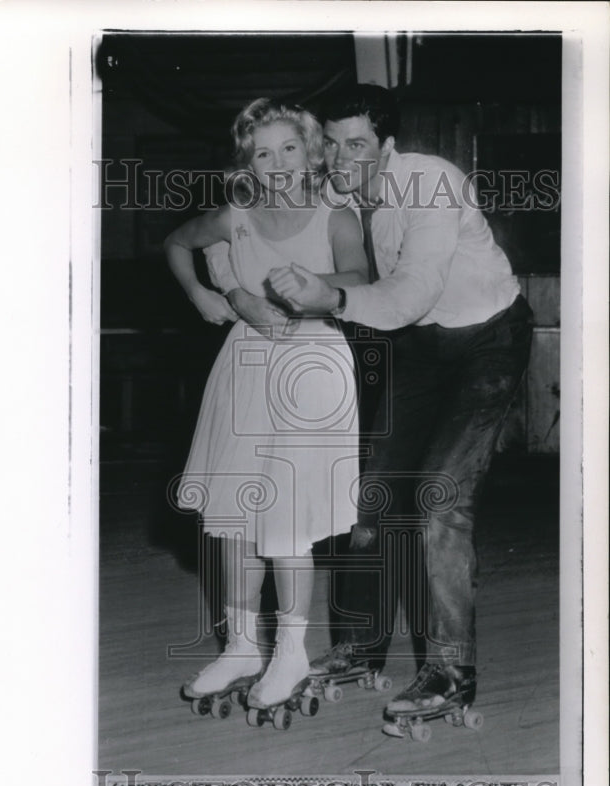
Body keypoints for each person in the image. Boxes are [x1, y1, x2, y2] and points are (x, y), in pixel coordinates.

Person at [248, 84, 534, 731]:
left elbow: (405, 294)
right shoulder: (339, 192)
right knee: (371, 493)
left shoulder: (430, 182)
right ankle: (358, 645)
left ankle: (451, 671)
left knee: (438, 499)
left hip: (487, 339)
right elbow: (273, 217)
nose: (343, 158)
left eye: (357, 145)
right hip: (423, 346)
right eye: (332, 145)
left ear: (386, 146)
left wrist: (330, 298)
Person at [164, 97, 368, 712]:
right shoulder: (236, 217)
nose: (277, 162)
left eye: (289, 148)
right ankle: (242, 645)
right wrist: (205, 293)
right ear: (247, 164)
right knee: (232, 518)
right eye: (262, 152)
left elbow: (359, 276)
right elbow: (177, 243)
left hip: (312, 368)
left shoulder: (336, 214)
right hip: (246, 364)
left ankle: (290, 652)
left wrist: (317, 290)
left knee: (286, 522)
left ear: (311, 153)